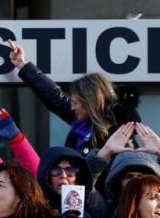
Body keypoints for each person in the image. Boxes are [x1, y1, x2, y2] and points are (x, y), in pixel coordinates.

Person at [9, 40, 139, 154]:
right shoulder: (83, 119)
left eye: (75, 102)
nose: (71, 106)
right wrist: (22, 64)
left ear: (90, 103)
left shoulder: (119, 133)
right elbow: (54, 96)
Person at [36, 146, 108, 218]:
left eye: (70, 171)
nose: (63, 175)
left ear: (77, 177)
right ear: (47, 176)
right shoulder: (36, 209)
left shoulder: (91, 204)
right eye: (56, 170)